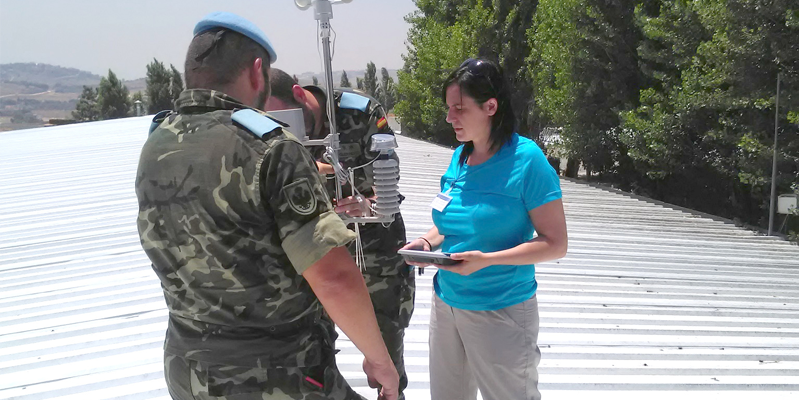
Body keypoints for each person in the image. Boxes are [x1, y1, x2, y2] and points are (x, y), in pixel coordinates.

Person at [135, 12, 398, 400]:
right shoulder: (271, 147)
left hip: (187, 369)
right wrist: (380, 361)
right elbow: (333, 277)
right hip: (273, 372)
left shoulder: (157, 142)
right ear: (257, 72)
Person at [401, 58, 568, 400]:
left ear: (490, 106)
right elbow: (449, 224)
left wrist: (488, 259)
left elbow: (555, 244)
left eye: (459, 108)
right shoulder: (460, 157)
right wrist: (425, 242)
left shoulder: (527, 159)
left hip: (501, 309)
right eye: (449, 108)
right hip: (447, 303)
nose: (450, 118)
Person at [265, 69, 415, 400]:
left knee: (387, 356)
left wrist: (361, 198)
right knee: (315, 356)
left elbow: (388, 176)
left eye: (285, 116)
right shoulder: (265, 132)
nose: (285, 127)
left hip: (377, 251)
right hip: (319, 255)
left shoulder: (359, 112)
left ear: (299, 94)